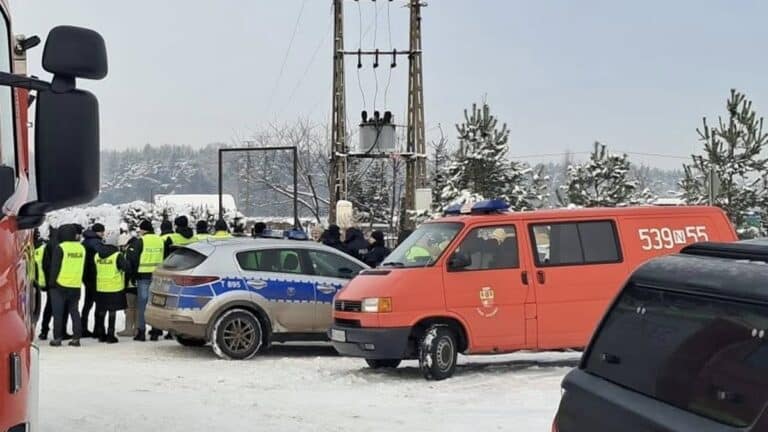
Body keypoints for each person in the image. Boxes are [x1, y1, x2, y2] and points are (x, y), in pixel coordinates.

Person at [48, 224, 86, 347]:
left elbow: (55, 268)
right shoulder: (81, 248)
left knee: (58, 313)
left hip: (60, 285)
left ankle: (57, 338)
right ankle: (76, 338)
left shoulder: (61, 248)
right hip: (75, 285)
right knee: (74, 312)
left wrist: (52, 283)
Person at [126, 220, 164, 342]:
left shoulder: (140, 241)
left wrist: (133, 275)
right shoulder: (160, 240)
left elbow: (133, 259)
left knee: (143, 304)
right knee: (156, 303)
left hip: (143, 276)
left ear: (143, 230)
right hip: (158, 276)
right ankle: (155, 331)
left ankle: (141, 332)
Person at [81, 223, 106, 338]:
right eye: (102, 232)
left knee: (87, 304)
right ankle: (98, 329)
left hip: (86, 276)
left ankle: (83, 328)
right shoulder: (96, 243)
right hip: (95, 276)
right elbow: (103, 255)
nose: (103, 234)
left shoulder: (84, 242)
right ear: (98, 232)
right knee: (99, 303)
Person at [117, 233, 138, 337]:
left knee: (130, 307)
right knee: (137, 307)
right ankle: (137, 329)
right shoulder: (138, 246)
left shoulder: (129, 251)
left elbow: (128, 268)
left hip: (131, 283)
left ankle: (129, 329)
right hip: (139, 281)